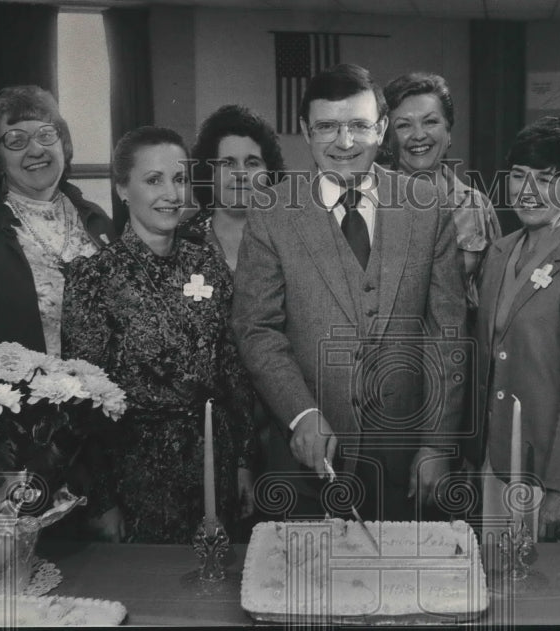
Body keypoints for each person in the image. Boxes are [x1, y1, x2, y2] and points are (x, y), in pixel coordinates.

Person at [231, 64, 466, 522]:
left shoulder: (427, 208)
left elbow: (449, 334)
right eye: (327, 127)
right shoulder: (273, 212)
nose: (344, 142)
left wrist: (438, 443)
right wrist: (300, 414)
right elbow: (256, 328)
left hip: (402, 461)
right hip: (306, 466)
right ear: (305, 131)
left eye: (359, 125)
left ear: (381, 129)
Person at [62, 126, 255, 543]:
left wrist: (242, 461)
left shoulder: (208, 263)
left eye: (180, 178)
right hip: (139, 475)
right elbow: (84, 402)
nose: (172, 193)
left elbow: (231, 370)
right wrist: (102, 501)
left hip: (214, 464)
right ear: (122, 189)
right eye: (154, 180)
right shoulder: (94, 278)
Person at [474, 117, 560, 542]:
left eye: (548, 179)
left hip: (547, 475)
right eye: (520, 176)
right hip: (496, 460)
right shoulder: (499, 252)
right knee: (495, 588)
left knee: (544, 596)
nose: (528, 191)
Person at [0, 85, 115, 355]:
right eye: (16, 140)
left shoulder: (97, 220)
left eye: (46, 134)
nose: (36, 149)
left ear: (63, 143)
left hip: (108, 394)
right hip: (22, 395)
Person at [383, 72, 501, 311]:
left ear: (448, 132)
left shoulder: (477, 207)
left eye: (430, 122)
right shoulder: (369, 203)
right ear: (386, 139)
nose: (418, 135)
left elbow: (494, 300)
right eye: (404, 125)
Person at [183, 105, 287, 272]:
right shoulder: (180, 241)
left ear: (270, 173)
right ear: (208, 172)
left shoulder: (290, 242)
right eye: (227, 163)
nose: (241, 174)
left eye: (252, 163)